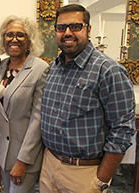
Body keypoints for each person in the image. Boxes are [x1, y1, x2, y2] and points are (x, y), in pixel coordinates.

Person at [39, 4, 136, 193]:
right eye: (61, 28)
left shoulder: (108, 70)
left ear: (88, 29)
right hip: (49, 164)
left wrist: (100, 181)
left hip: (84, 174)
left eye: (75, 27)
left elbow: (123, 130)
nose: (67, 32)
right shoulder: (54, 68)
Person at [0, 15, 49, 193]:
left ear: (29, 39)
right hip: (3, 153)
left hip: (23, 156)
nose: (13, 39)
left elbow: (38, 119)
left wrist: (22, 160)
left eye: (20, 35)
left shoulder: (40, 68)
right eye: (9, 35)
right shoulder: (1, 66)